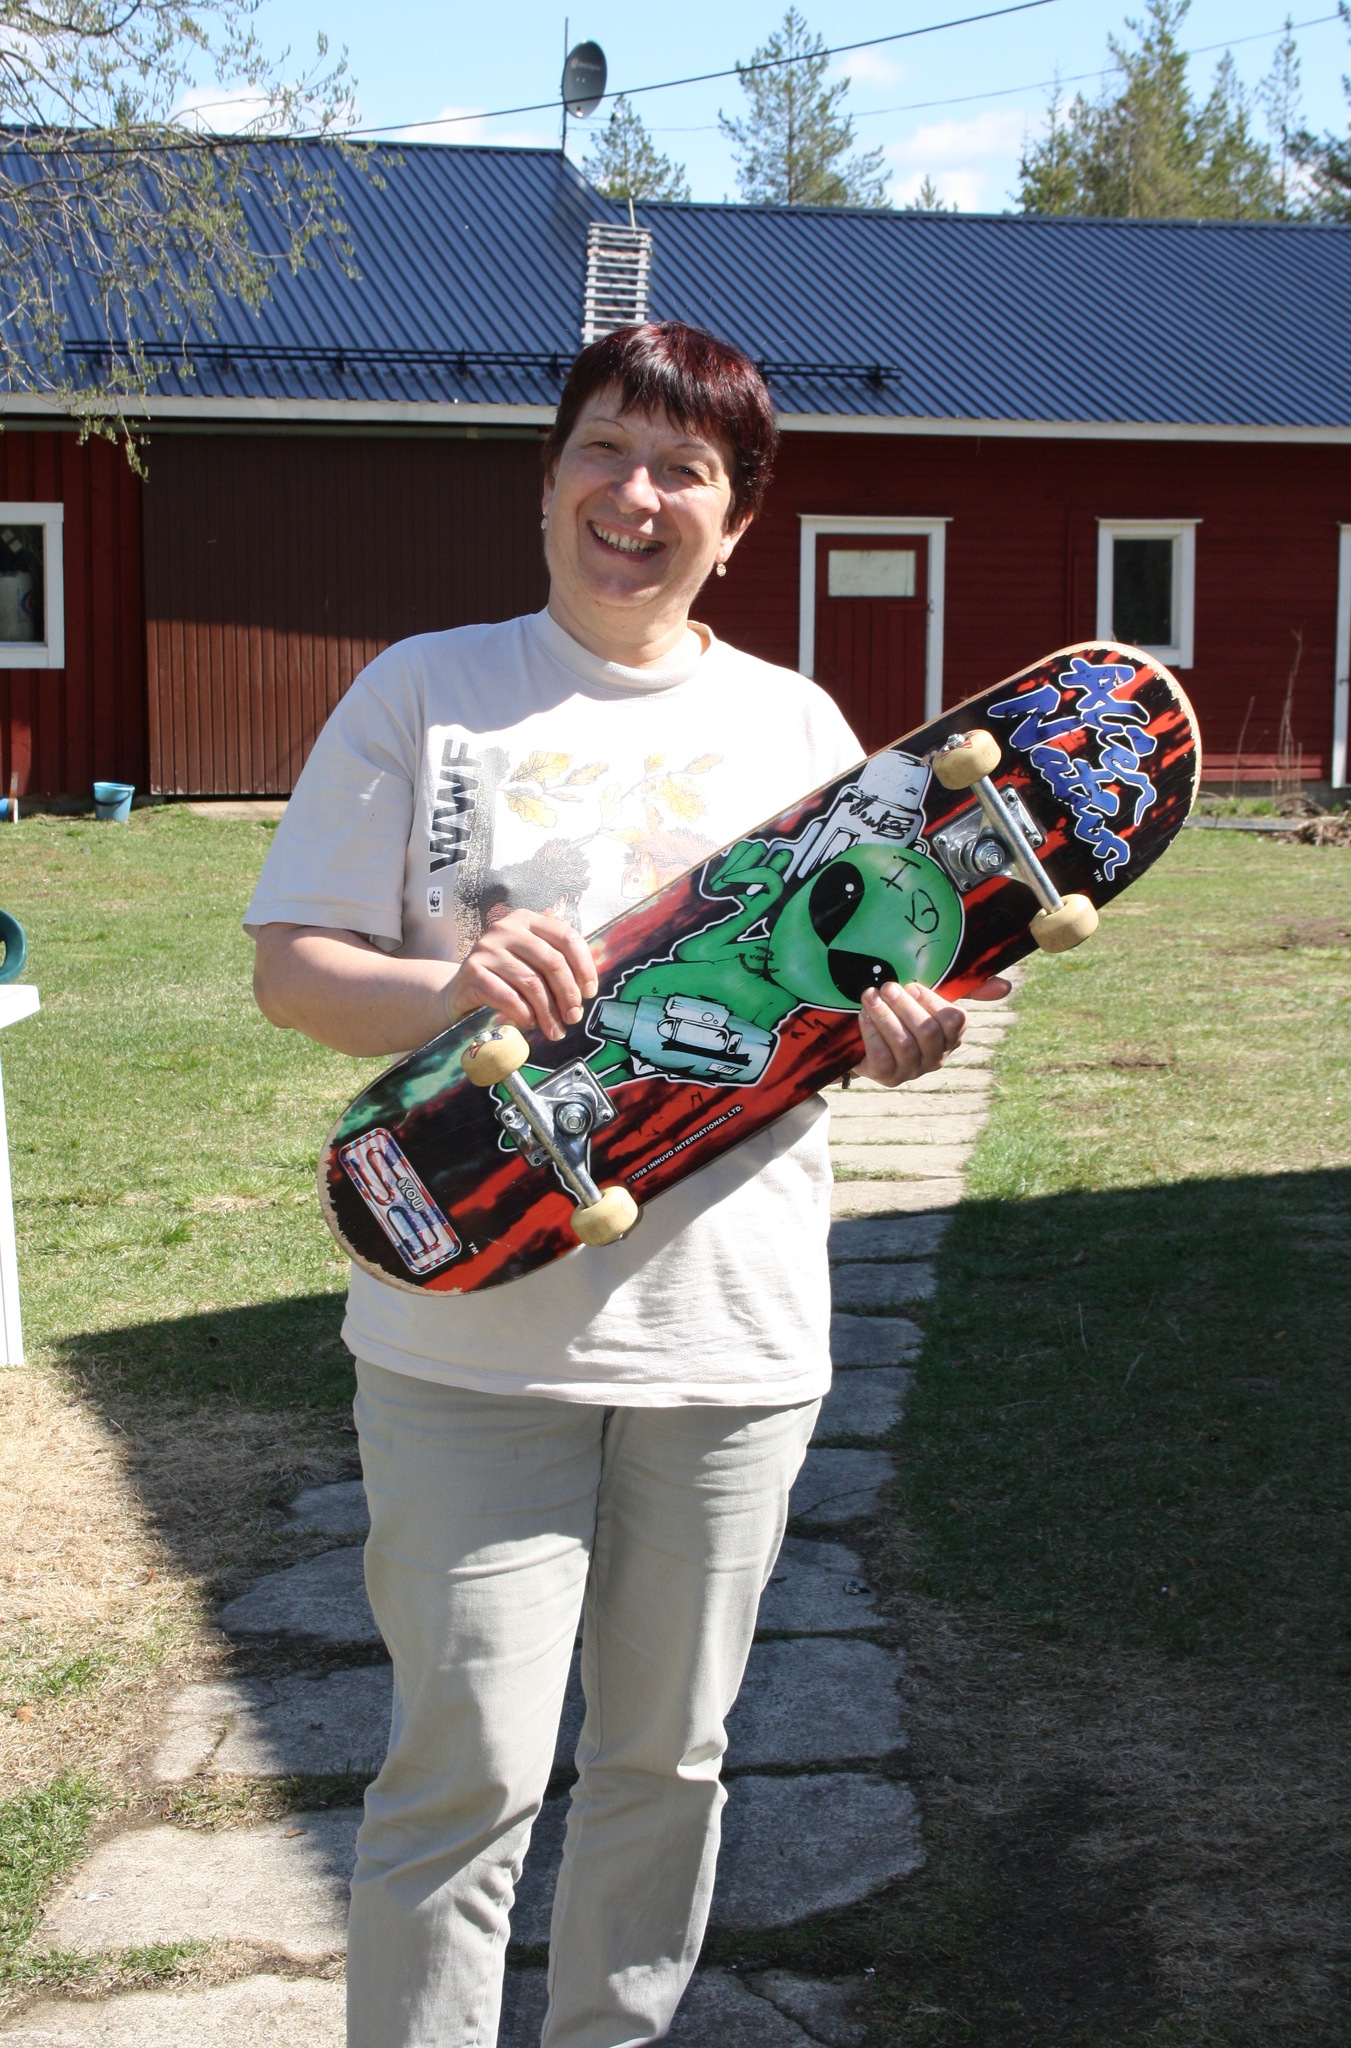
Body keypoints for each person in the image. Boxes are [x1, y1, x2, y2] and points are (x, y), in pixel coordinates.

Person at [248, 320, 1006, 2048]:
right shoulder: (427, 689)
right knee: (464, 1771)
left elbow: (843, 989)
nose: (635, 495)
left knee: (668, 1760)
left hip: (723, 1336)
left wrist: (896, 1034)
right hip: (464, 1330)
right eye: (604, 447)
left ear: (737, 524)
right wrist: (449, 988)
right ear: (547, 475)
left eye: (686, 469)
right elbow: (293, 971)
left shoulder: (795, 724)